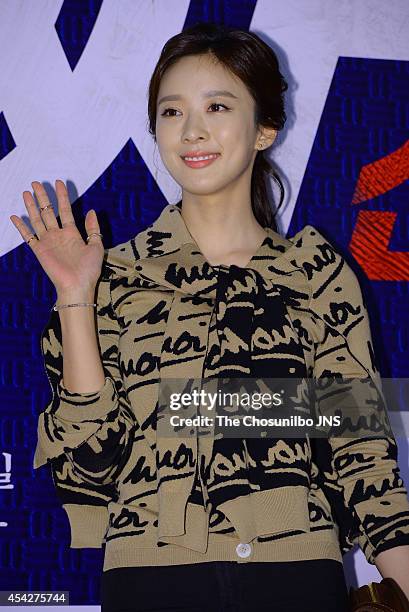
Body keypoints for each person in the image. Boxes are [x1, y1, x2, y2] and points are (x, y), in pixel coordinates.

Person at [11, 22, 409, 612]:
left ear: (264, 128)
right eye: (171, 112)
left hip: (296, 576)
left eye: (217, 106)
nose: (192, 129)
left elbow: (363, 458)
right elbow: (93, 464)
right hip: (151, 579)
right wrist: (75, 297)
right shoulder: (113, 277)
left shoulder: (316, 274)